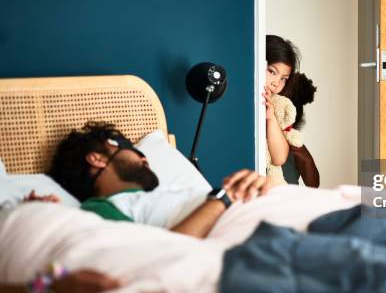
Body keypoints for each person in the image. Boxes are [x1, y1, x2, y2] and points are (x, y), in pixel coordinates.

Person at [48, 122, 271, 239]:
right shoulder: (99, 209)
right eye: (127, 147)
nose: (143, 156)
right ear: (96, 159)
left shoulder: (163, 194)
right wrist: (222, 198)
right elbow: (160, 256)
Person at [263, 35, 320, 187]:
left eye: (283, 78)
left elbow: (314, 183)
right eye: (272, 71)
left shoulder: (278, 109)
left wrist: (272, 119)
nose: (276, 83)